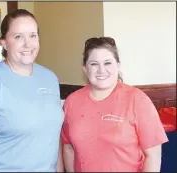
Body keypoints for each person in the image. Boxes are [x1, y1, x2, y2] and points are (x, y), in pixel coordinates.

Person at [0, 9, 64, 172]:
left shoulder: (50, 78)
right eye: (18, 37)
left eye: (33, 35)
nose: (27, 44)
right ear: (4, 42)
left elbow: (54, 137)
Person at [61, 36, 168, 172]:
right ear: (85, 68)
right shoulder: (72, 101)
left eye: (107, 63)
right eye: (94, 64)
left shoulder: (137, 100)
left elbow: (153, 155)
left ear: (118, 64)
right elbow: (68, 147)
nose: (101, 70)